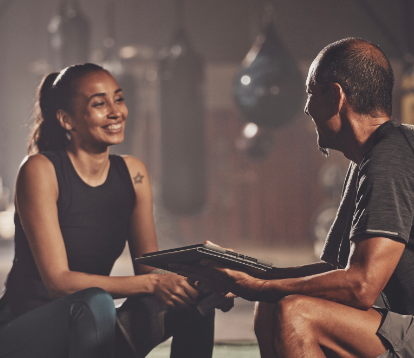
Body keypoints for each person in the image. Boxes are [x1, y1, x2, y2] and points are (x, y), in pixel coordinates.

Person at [173, 37, 414, 358]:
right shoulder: (372, 157)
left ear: (336, 96)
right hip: (400, 321)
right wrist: (251, 276)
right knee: (272, 305)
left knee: (297, 313)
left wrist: (256, 286)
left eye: (311, 92)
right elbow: (336, 271)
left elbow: (359, 287)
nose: (305, 107)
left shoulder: (390, 156)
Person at [0, 63, 220, 358]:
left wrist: (198, 276)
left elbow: (148, 269)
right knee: (95, 302)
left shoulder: (133, 173)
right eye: (99, 104)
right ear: (67, 119)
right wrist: (154, 282)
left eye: (118, 99)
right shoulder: (40, 170)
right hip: (26, 335)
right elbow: (58, 284)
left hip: (91, 329)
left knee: (194, 296)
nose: (116, 112)